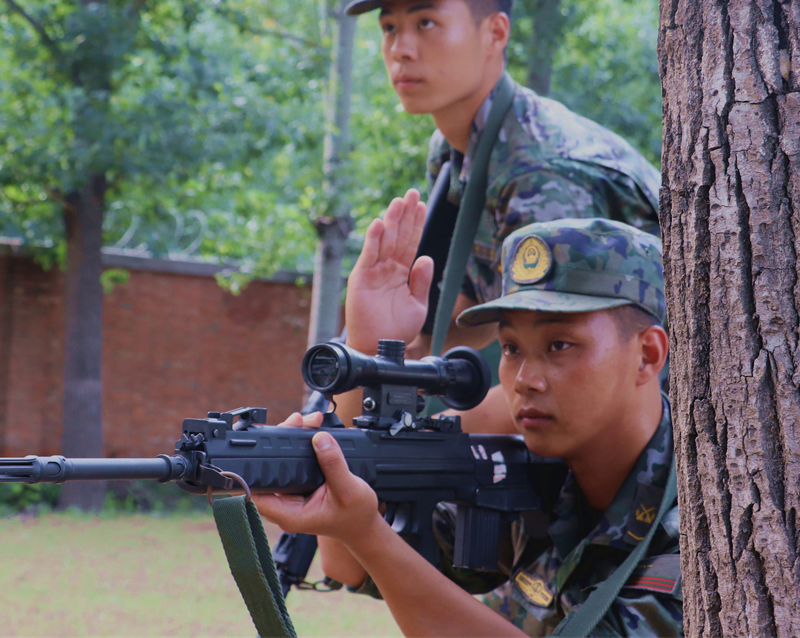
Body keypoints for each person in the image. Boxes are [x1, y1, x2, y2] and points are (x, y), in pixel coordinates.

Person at [255, 214, 682, 636]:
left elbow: (369, 547)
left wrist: (367, 535)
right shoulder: (534, 481)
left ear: (647, 355)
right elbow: (350, 565)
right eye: (511, 347)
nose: (524, 380)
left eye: (559, 345)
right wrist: (367, 350)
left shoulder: (703, 524)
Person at [335, 0, 662, 429]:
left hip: (666, 434)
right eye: (389, 27)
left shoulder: (541, 169)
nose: (400, 48)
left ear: (495, 33)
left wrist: (400, 442)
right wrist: (358, 360)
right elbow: (463, 314)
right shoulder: (457, 148)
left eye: (425, 23)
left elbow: (554, 375)